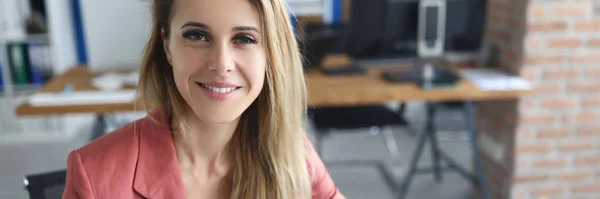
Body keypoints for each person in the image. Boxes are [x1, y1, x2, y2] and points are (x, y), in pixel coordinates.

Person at [61, 0, 345, 198]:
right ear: (167, 46)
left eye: (244, 39)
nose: (221, 64)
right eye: (197, 35)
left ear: (271, 52)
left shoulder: (293, 154)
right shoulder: (93, 176)